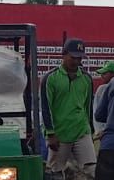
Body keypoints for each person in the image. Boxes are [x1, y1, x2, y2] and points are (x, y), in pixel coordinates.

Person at [41, 38, 96, 172]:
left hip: (81, 132)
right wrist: (51, 134)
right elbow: (45, 107)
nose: (77, 61)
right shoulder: (50, 78)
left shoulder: (86, 78)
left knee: (91, 171)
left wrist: (91, 130)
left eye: (80, 58)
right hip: (59, 134)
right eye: (73, 57)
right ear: (63, 54)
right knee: (55, 173)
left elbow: (88, 106)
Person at [91, 61, 114, 142]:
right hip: (113, 132)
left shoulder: (103, 89)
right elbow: (96, 111)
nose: (102, 75)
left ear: (113, 74)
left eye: (105, 73)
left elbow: (96, 111)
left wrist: (99, 130)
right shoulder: (102, 89)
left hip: (113, 132)